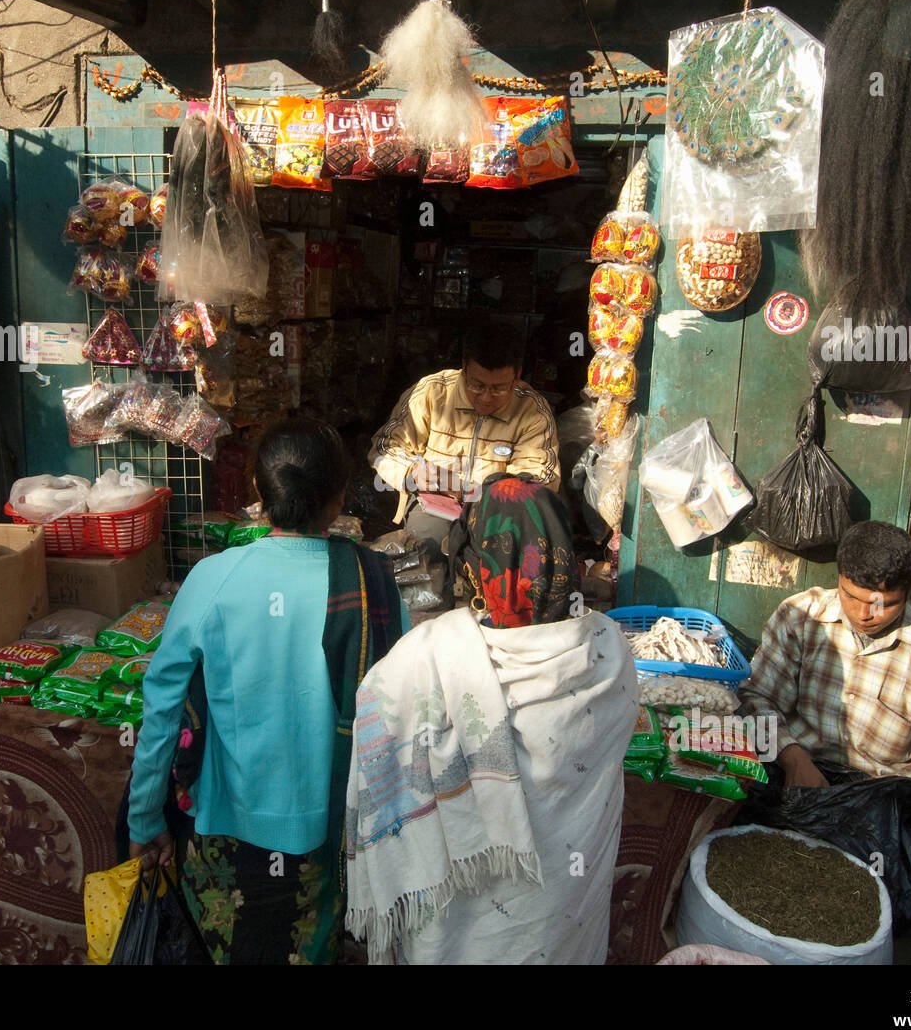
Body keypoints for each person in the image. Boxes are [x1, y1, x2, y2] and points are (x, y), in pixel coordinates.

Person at [127, 418, 408, 964]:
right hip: (337, 831)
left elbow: (161, 707)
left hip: (230, 830)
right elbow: (399, 701)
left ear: (259, 494)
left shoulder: (215, 577)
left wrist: (144, 820)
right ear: (339, 498)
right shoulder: (371, 580)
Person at [344, 475, 637, 964]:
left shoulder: (422, 658)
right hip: (561, 919)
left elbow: (376, 730)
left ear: (477, 567)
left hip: (456, 933)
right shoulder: (608, 651)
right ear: (566, 553)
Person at [738, 520, 911, 933]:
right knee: (718, 806)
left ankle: (845, 913)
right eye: (852, 597)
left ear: (909, 592)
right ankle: (857, 902)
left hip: (882, 801)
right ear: (838, 579)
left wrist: (898, 789)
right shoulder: (799, 616)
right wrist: (792, 758)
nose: (865, 614)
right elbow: (755, 699)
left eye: (885, 604)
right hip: (798, 781)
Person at [368, 333, 560, 571]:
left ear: (517, 377)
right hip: (433, 504)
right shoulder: (431, 392)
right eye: (477, 385)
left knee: (501, 560)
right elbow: (385, 447)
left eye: (499, 388)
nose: (486, 397)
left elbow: (541, 478)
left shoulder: (533, 410)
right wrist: (412, 473)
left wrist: (475, 492)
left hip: (496, 512)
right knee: (426, 547)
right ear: (464, 369)